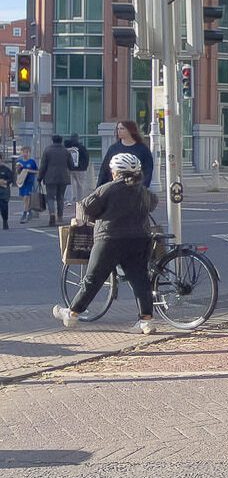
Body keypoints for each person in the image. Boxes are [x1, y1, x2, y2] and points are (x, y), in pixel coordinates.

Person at [52, 153, 159, 333]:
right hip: (140, 239)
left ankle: (72, 314)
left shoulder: (108, 189)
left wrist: (97, 217)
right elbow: (153, 203)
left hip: (110, 239)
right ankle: (146, 321)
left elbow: (86, 206)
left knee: (92, 278)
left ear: (115, 172)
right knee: (140, 279)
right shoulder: (143, 191)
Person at [99, 121, 155, 188]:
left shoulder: (142, 149)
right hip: (115, 188)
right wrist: (100, 187)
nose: (119, 131)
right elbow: (105, 169)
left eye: (122, 129)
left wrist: (143, 187)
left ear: (130, 130)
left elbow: (148, 170)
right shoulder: (113, 148)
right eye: (118, 129)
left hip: (135, 188)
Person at [39, 135, 73, 227]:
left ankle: (52, 214)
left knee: (50, 197)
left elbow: (43, 166)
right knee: (60, 197)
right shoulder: (66, 151)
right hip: (63, 177)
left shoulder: (47, 150)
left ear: (52, 141)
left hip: (50, 177)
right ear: (61, 141)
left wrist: (39, 177)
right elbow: (71, 165)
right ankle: (60, 216)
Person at [65, 133, 91, 205]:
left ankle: (69, 200)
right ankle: (80, 200)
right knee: (80, 184)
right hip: (80, 169)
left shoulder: (67, 147)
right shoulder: (81, 147)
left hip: (69, 168)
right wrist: (84, 166)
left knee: (69, 184)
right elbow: (86, 157)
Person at [15, 146, 36, 225]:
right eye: (24, 152)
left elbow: (36, 171)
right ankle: (29, 211)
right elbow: (17, 173)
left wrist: (28, 171)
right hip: (22, 183)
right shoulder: (19, 162)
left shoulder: (32, 162)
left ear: (29, 153)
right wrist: (18, 169)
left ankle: (24, 214)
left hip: (29, 182)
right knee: (24, 198)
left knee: (26, 197)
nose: (25, 154)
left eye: (27, 152)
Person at [0, 157, 13, 230]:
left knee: (4, 207)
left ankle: (5, 221)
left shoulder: (6, 169)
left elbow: (11, 179)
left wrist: (5, 182)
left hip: (4, 191)